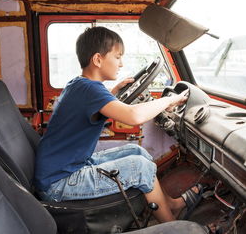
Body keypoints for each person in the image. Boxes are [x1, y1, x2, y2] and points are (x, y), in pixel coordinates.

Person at [34, 26, 202, 223]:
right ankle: (172, 227)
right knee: (140, 167)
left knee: (137, 152)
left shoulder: (80, 85)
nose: (121, 64)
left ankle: (170, 205)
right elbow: (133, 116)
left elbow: (93, 110)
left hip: (64, 168)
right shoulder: (90, 90)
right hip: (59, 183)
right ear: (97, 60)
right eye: (117, 57)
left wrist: (115, 91)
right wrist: (169, 101)